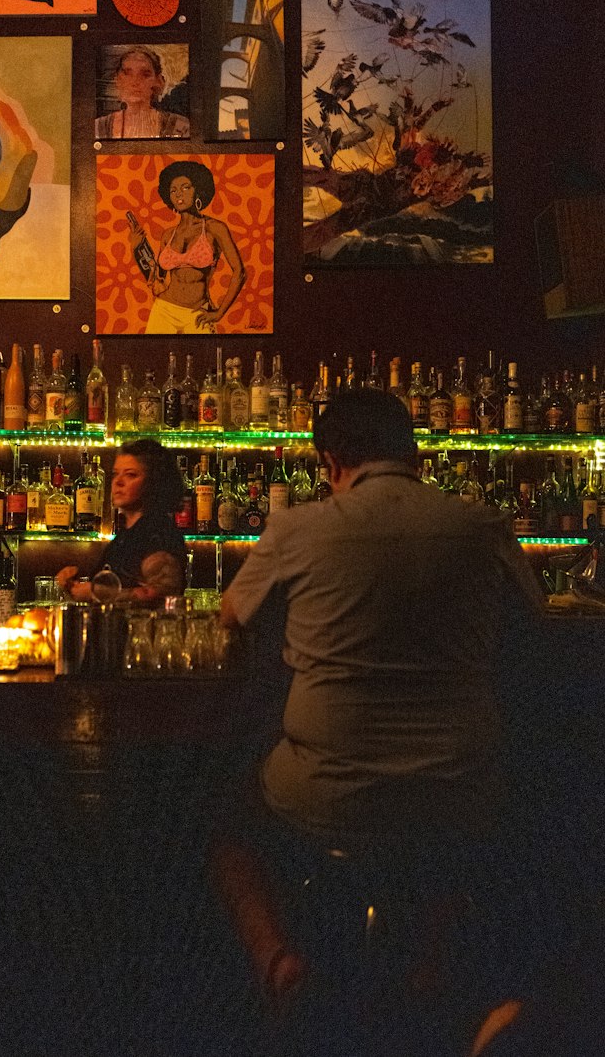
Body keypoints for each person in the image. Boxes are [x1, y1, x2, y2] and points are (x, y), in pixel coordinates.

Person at [214, 389, 545, 1005]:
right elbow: (535, 621)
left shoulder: (298, 526)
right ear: (412, 451)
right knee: (461, 828)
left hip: (321, 789)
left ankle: (279, 961)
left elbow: (231, 615)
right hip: (459, 782)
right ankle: (429, 962)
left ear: (332, 460)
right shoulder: (481, 525)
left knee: (231, 823)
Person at [55, 438, 186, 603]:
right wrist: (75, 586)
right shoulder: (126, 535)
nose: (118, 482)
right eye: (116, 474)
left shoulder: (157, 532)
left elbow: (164, 595)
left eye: (131, 474)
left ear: (155, 481)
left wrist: (97, 593)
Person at [127, 159, 247, 334]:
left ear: (197, 188)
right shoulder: (168, 234)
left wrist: (219, 313)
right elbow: (156, 277)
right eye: (173, 190)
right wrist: (136, 248)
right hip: (163, 310)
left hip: (197, 312)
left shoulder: (215, 228)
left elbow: (240, 272)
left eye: (185, 187)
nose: (178, 194)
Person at [95, 46, 190, 140]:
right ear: (118, 80)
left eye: (145, 74)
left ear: (158, 81)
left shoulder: (182, 127)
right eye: (127, 73)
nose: (135, 82)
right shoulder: (98, 128)